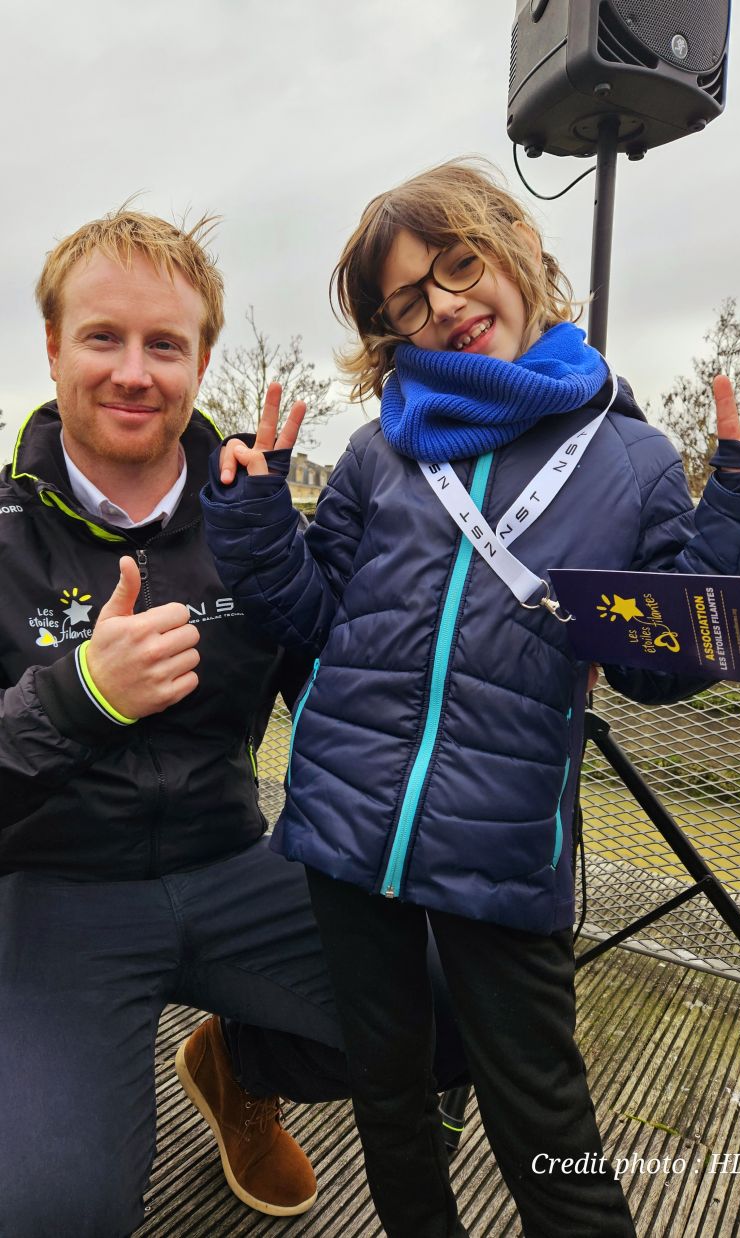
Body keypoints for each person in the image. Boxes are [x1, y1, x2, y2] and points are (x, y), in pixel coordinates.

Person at [201, 160, 740, 1238]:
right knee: (389, 1104)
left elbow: (655, 667)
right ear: (395, 333)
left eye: (458, 263)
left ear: (516, 248)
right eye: (408, 300)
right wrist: (252, 525)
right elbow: (315, 615)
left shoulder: (629, 457)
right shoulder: (379, 453)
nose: (443, 303)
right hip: (347, 835)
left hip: (506, 854)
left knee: (549, 1134)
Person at [0, 207, 467, 1238]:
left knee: (479, 1004)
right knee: (50, 1210)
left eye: (164, 343)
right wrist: (78, 697)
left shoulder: (257, 518)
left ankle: (238, 1062)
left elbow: (345, 694)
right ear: (51, 346)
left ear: (201, 356)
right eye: (102, 337)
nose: (134, 371)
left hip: (237, 863)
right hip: (54, 890)